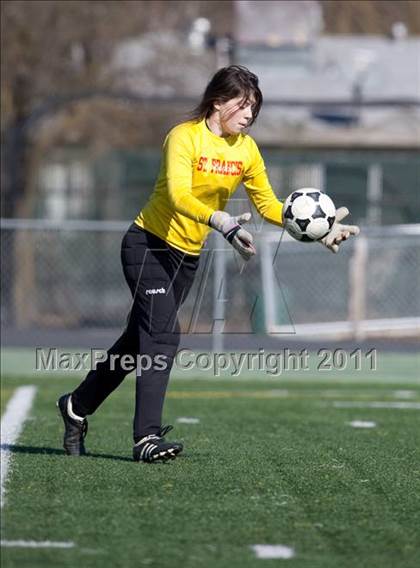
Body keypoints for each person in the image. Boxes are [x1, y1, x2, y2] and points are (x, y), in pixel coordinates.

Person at [57, 65, 359, 463]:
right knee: (163, 335)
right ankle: (145, 438)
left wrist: (317, 231)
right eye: (244, 104)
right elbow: (180, 195)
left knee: (137, 342)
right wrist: (222, 222)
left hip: (186, 258)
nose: (250, 114)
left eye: (255, 107)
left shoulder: (246, 149)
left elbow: (267, 204)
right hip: (147, 245)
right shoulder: (184, 137)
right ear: (218, 101)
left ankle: (76, 406)